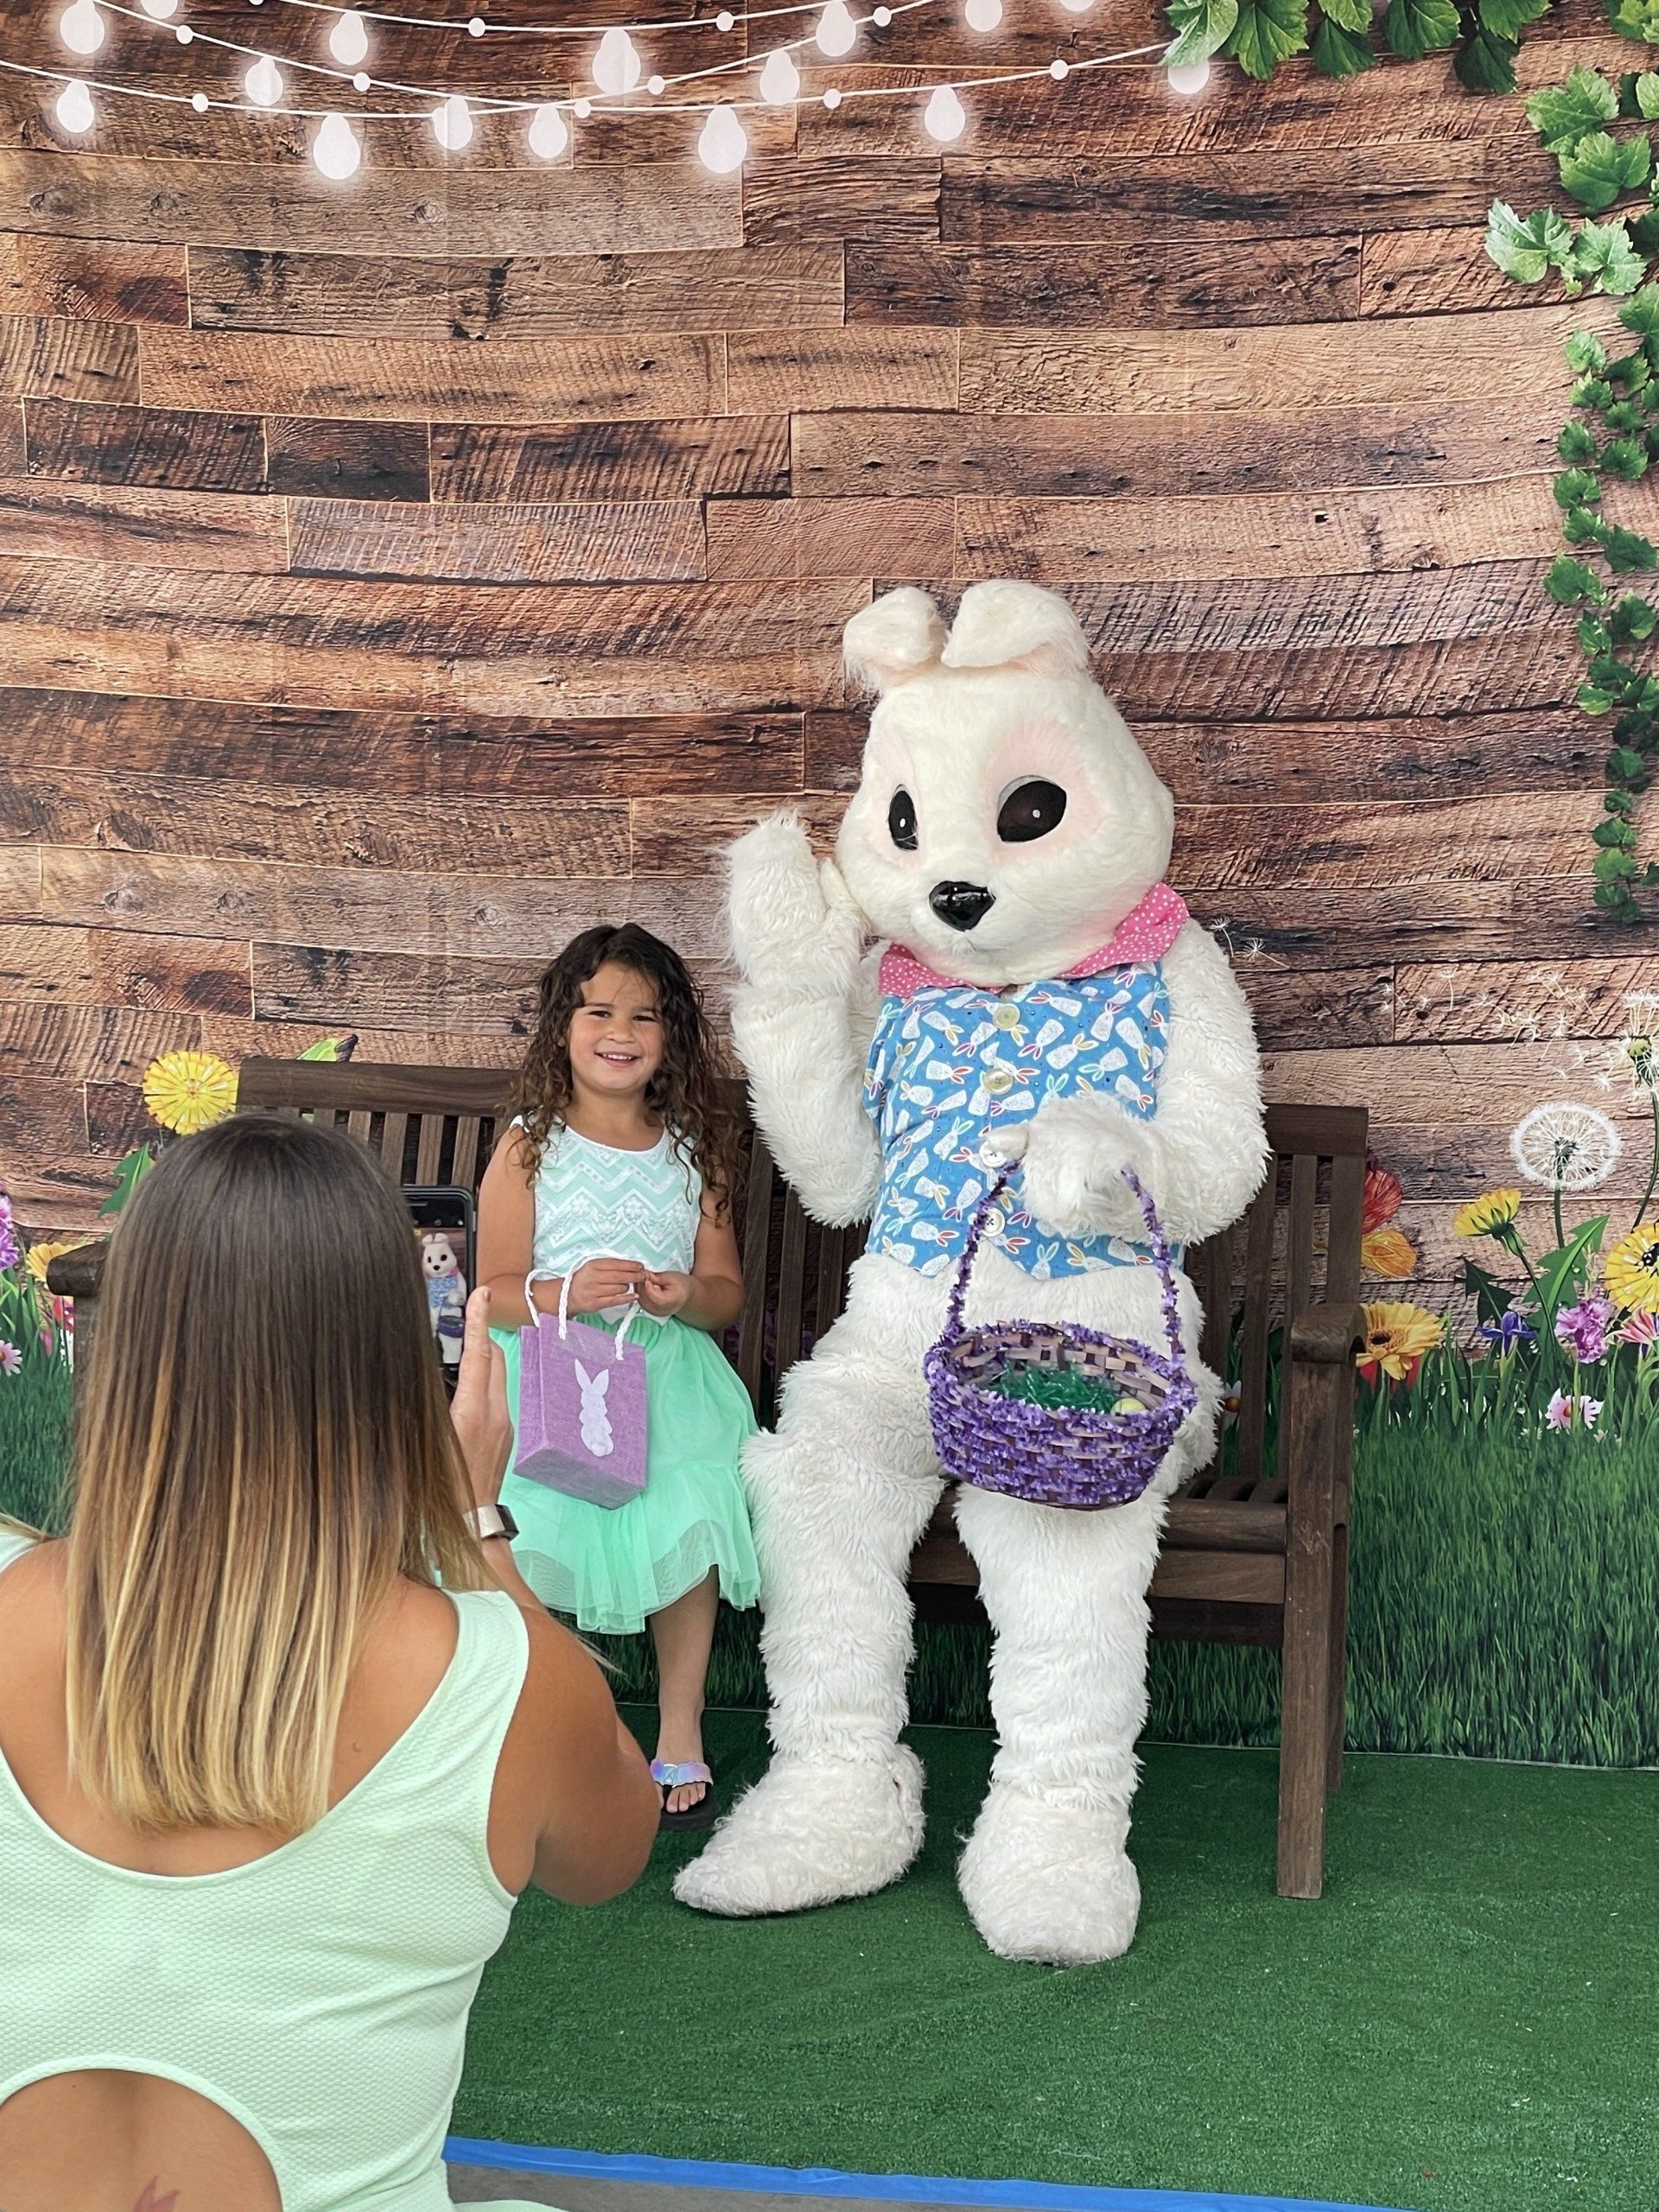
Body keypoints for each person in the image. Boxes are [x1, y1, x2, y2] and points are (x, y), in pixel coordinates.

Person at [0, 1115, 661, 2212]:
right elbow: (611, 1854)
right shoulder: (505, 1679)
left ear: (130, 1339)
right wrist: (476, 1520)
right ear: (393, 1357)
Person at [477, 925, 760, 1828]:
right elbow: (492, 1289)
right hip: (551, 1367)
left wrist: (685, 1294)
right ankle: (551, 1726)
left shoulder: (694, 1149)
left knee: (691, 1501)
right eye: (598, 1011)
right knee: (530, 1517)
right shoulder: (531, 1145)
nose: (620, 1032)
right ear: (563, 1026)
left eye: (644, 1016)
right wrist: (562, 1291)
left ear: (671, 1034)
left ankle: (680, 1722)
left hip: (667, 1376)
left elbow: (725, 1294)